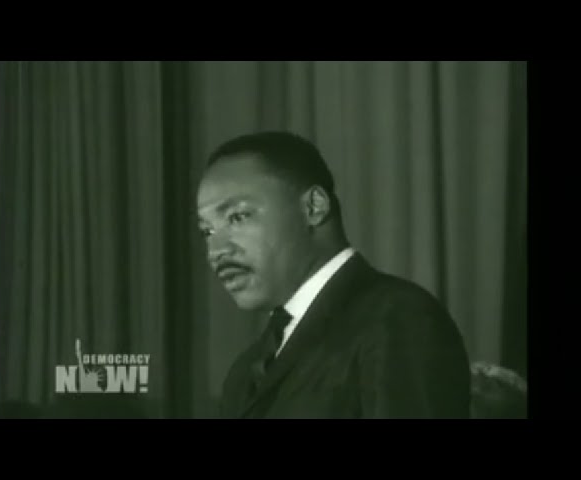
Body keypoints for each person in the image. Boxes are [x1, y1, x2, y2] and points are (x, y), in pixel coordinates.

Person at [196, 131, 471, 419]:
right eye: (207, 231)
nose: (216, 251)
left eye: (238, 217)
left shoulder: (398, 320)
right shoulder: (244, 371)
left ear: (314, 206)